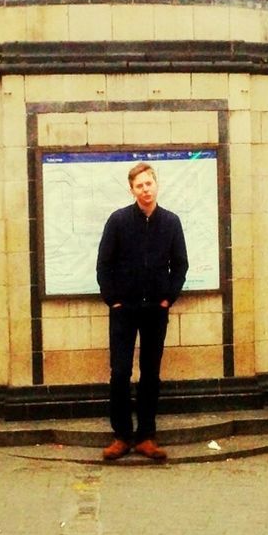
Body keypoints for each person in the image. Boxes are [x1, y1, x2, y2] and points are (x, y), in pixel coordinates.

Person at [95, 162, 189, 462]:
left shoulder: (171, 222)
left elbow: (180, 264)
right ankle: (122, 437)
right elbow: (104, 265)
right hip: (124, 310)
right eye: (139, 186)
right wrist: (114, 300)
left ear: (156, 185)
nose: (145, 190)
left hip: (155, 311)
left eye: (149, 184)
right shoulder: (118, 221)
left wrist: (167, 299)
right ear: (132, 189)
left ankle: (146, 436)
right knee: (120, 372)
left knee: (151, 373)